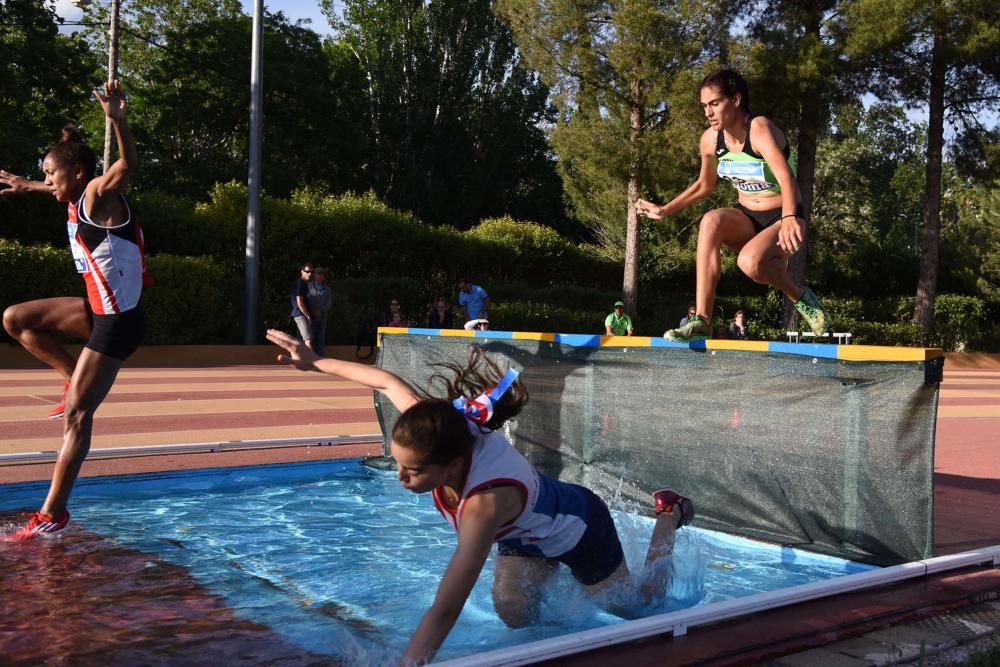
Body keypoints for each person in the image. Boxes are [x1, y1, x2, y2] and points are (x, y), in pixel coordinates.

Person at [265, 329, 694, 665]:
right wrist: (315, 361)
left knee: (639, 609)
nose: (400, 477)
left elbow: (446, 607)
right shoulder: (438, 429)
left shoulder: (483, 506)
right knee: (511, 607)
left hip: (579, 526)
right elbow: (385, 380)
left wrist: (409, 665)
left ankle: (669, 515)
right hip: (526, 528)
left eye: (413, 471)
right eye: (399, 464)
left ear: (452, 467)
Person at [0, 81, 150, 541]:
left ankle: (52, 514)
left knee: (78, 418)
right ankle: (72, 377)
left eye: (50, 174)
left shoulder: (96, 196)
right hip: (94, 308)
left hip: (119, 321)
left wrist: (118, 120)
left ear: (79, 174)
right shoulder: (70, 194)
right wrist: (29, 186)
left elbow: (127, 164)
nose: (47, 181)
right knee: (15, 319)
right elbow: (53, 186)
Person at [636, 69, 830, 343]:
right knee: (711, 221)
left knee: (750, 264)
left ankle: (800, 297)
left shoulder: (759, 129)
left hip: (784, 215)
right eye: (704, 106)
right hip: (747, 216)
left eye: (714, 103)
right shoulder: (711, 140)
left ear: (736, 100)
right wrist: (664, 209)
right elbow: (705, 185)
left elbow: (787, 178)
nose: (708, 112)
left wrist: (789, 218)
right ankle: (701, 320)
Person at [307, 266, 333, 356]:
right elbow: (306, 300)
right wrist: (313, 311)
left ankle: (321, 359)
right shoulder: (308, 286)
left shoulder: (327, 289)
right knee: (310, 338)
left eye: (322, 274)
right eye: (318, 274)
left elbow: (329, 303)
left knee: (321, 339)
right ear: (314, 275)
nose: (320, 276)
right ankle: (310, 358)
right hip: (311, 317)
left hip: (322, 318)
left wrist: (320, 311)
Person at [290, 263, 314, 350]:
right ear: (302, 272)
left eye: (311, 272)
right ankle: (312, 362)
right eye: (307, 271)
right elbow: (299, 302)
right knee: (308, 339)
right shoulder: (300, 283)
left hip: (300, 314)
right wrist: (307, 315)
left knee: (300, 342)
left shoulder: (304, 283)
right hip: (300, 315)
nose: (310, 274)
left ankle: (301, 361)